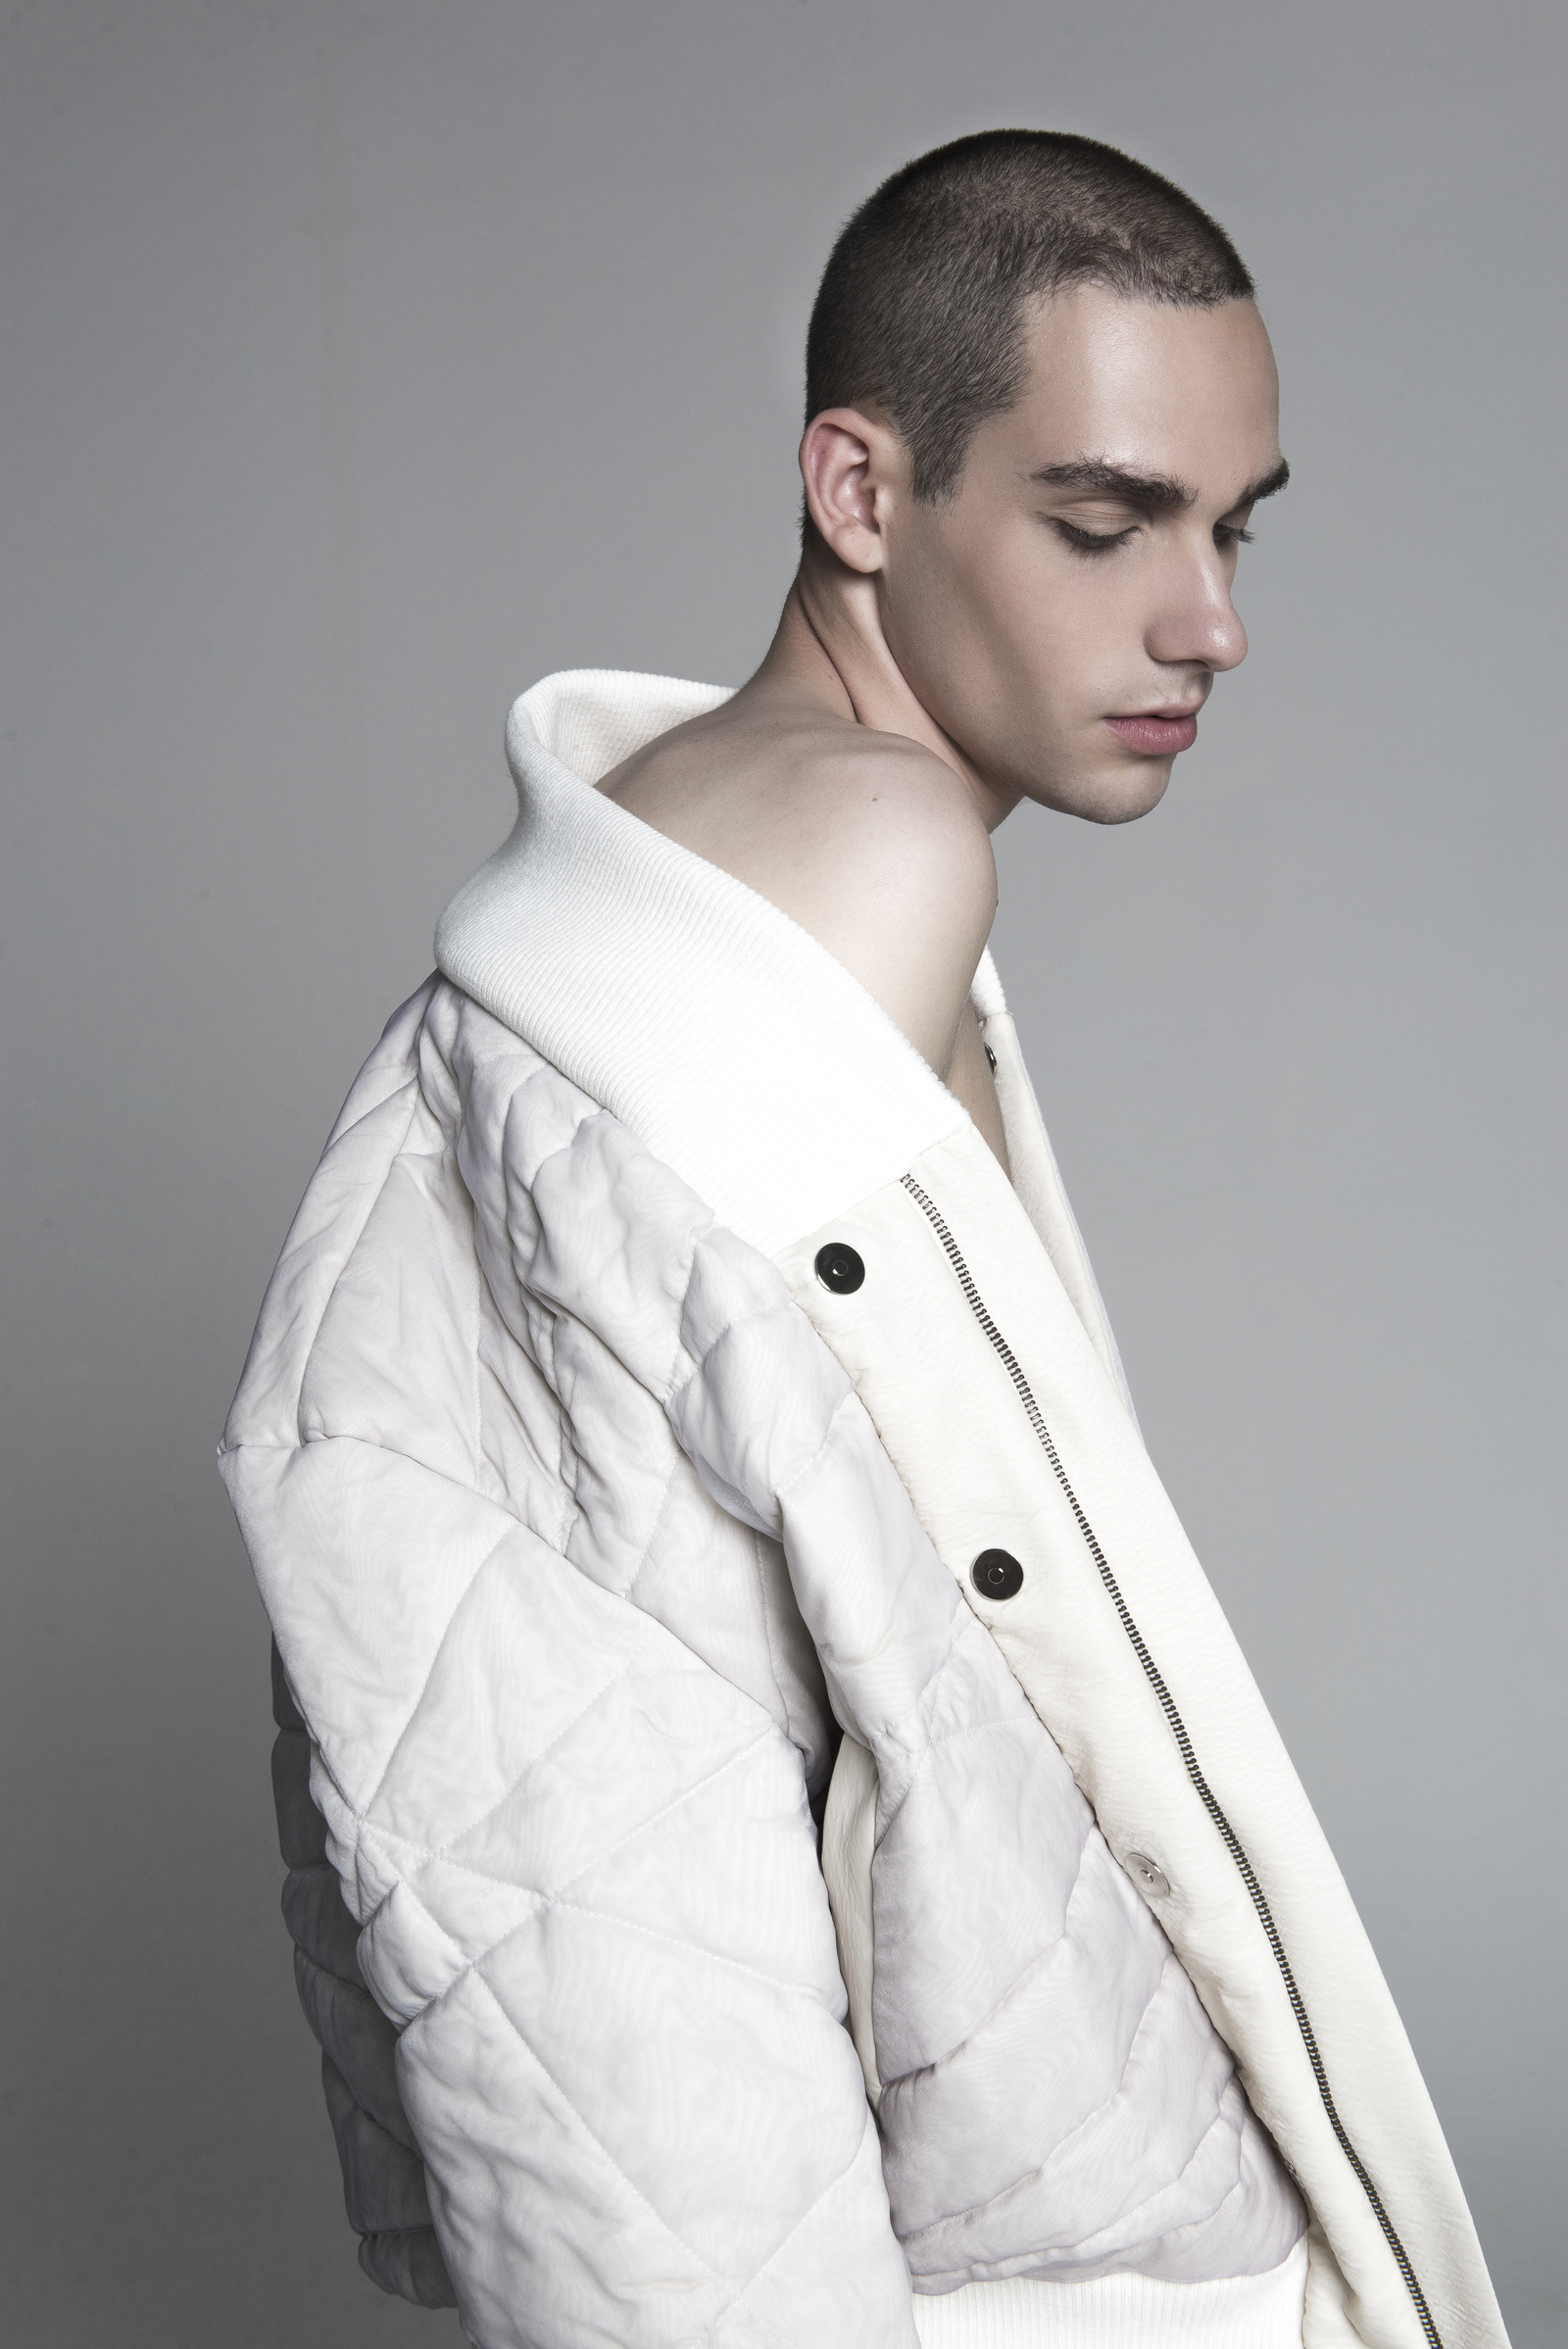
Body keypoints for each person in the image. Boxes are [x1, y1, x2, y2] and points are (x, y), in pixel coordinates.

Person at [224, 132, 1506, 2349]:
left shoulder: (677, 867)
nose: (1207, 622)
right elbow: (617, 1927)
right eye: (1103, 524)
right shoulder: (877, 854)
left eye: (1230, 526)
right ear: (859, 491)